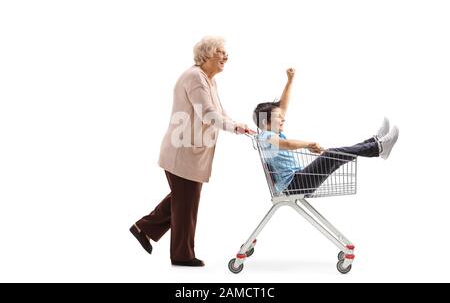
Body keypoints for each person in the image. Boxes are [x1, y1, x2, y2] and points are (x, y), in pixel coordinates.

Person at [130, 36, 254, 267]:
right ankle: (182, 256)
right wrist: (233, 127)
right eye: (221, 52)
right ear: (207, 54)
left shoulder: (208, 80)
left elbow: (219, 112)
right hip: (182, 152)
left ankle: (143, 228)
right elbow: (207, 114)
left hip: (192, 153)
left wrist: (237, 125)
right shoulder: (195, 78)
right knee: (186, 204)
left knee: (182, 199)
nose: (226, 56)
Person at [253, 68, 399, 194]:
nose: (283, 118)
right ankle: (377, 148)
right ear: (266, 122)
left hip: (297, 181)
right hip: (294, 185)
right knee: (331, 155)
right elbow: (287, 144)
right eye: (279, 117)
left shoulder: (270, 132)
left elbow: (282, 106)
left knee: (334, 156)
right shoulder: (265, 137)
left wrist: (290, 80)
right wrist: (308, 144)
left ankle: (375, 143)